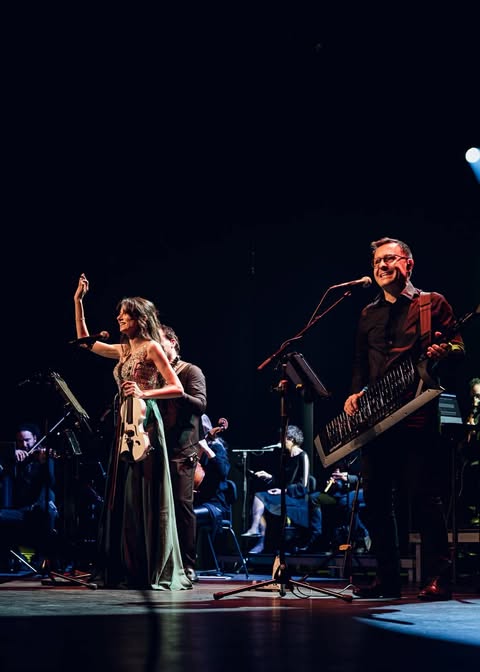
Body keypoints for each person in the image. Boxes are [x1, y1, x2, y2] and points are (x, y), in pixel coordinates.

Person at [343, 237, 465, 601]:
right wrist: (354, 393)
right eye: (377, 261)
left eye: (389, 259)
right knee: (376, 500)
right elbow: (360, 363)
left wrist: (445, 350)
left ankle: (439, 577)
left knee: (423, 497)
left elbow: (460, 348)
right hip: (376, 420)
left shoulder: (431, 304)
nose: (381, 266)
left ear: (408, 264)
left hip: (418, 415)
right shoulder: (368, 314)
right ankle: (388, 579)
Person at [73, 273, 192, 590]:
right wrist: (78, 301)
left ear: (139, 319)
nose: (119, 319)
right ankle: (126, 564)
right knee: (125, 495)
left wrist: (143, 393)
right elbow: (86, 341)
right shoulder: (123, 350)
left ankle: (148, 566)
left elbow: (177, 388)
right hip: (125, 422)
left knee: (144, 492)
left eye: (124, 315)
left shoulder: (152, 347)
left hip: (145, 421)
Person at [158, 324, 207, 584]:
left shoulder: (190, 371)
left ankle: (188, 564)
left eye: (160, 341)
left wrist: (177, 392)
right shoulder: (156, 374)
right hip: (157, 447)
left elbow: (200, 404)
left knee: (181, 506)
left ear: (173, 342)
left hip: (183, 450)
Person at [241, 424, 321, 554]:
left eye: (282, 439)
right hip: (284, 494)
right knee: (259, 496)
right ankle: (258, 535)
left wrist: (283, 491)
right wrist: (269, 476)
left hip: (296, 497)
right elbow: (281, 481)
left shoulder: (303, 456)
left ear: (291, 439)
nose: (280, 442)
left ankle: (260, 539)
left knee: (262, 498)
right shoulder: (286, 457)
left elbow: (303, 486)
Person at [0, 422, 58, 570]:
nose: (24, 445)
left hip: (39, 508)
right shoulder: (14, 459)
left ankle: (45, 559)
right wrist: (10, 457)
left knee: (47, 512)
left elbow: (51, 482)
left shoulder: (43, 456)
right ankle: (9, 559)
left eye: (27, 440)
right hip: (21, 511)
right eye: (20, 441)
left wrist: (45, 463)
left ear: (35, 439)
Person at [310, 456, 371, 554]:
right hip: (340, 493)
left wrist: (348, 478)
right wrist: (334, 485)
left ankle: (361, 536)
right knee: (314, 498)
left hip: (363, 489)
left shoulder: (359, 457)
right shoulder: (339, 456)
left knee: (345, 501)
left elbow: (367, 478)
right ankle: (318, 537)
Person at [193, 414, 231, 567]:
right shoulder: (194, 450)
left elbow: (223, 472)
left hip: (215, 504)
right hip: (199, 500)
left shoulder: (216, 447)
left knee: (189, 516)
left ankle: (190, 558)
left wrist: (206, 449)